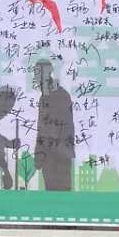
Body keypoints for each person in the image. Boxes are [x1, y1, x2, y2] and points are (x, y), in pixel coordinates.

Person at [31, 59, 75, 191]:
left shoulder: (53, 96)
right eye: (35, 73)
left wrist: (38, 158)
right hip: (58, 154)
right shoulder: (56, 94)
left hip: (54, 156)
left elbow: (47, 130)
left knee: (57, 195)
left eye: (38, 73)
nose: (35, 77)